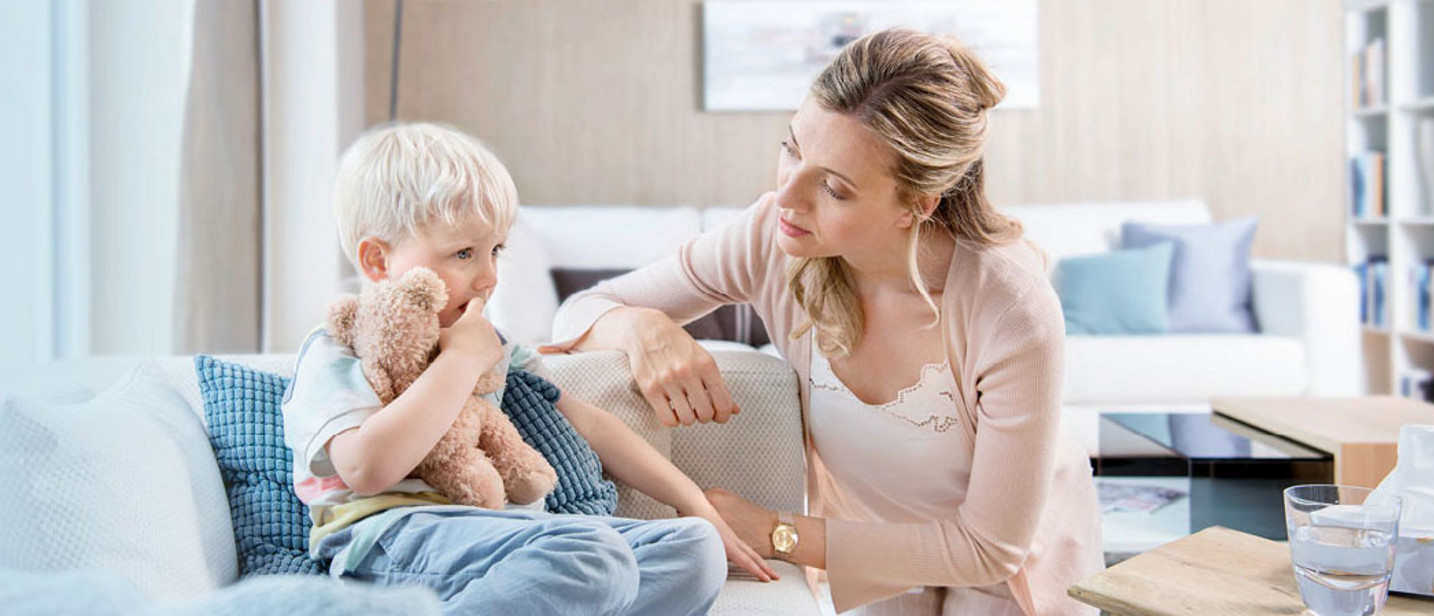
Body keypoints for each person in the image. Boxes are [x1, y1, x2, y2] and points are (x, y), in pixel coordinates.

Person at [549, 29, 1102, 615]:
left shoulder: (1013, 308)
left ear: (918, 204)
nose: (787, 195)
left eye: (834, 188)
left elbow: (989, 549)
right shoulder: (770, 235)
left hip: (1012, 568)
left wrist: (777, 532)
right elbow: (577, 314)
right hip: (870, 546)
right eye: (792, 149)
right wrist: (644, 329)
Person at [281, 122, 777, 616]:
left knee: (694, 550)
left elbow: (591, 425)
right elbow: (366, 468)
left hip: (503, 533)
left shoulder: (494, 345)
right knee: (593, 557)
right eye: (463, 253)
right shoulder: (338, 348)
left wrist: (695, 504)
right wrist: (460, 360)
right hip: (389, 537)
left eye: (495, 251)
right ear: (377, 260)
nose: (489, 278)